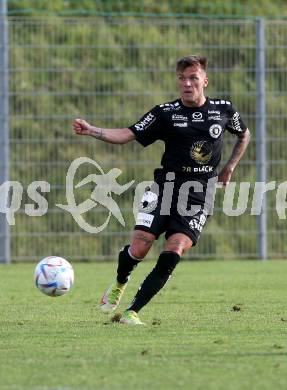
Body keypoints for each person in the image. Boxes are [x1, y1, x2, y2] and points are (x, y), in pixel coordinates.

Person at [73, 55, 251, 325]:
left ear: (205, 80)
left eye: (193, 78)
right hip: (164, 188)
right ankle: (121, 281)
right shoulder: (165, 113)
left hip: (199, 194)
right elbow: (127, 134)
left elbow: (244, 134)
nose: (187, 84)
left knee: (175, 249)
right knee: (141, 246)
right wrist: (92, 131)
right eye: (182, 78)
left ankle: (132, 312)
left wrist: (229, 168)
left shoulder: (223, 110)